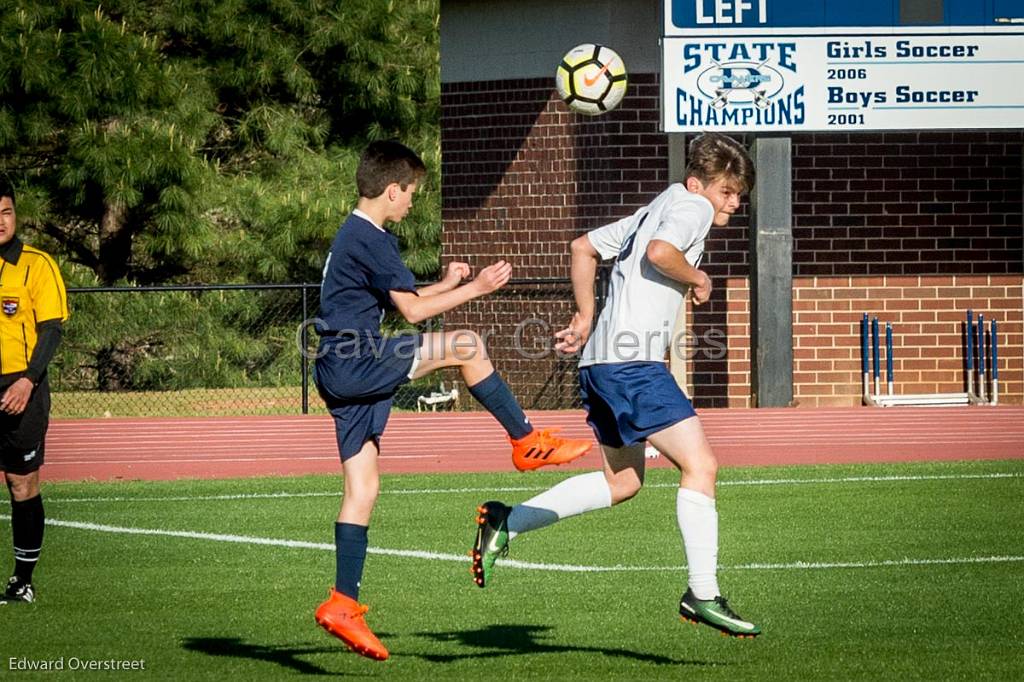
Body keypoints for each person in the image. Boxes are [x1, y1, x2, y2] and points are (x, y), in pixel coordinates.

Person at [470, 133, 761, 638]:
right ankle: (704, 594)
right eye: (727, 192)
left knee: (622, 482)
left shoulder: (660, 204)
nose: (734, 203)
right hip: (633, 367)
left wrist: (585, 318)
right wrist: (698, 278)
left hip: (600, 364)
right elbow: (660, 252)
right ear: (697, 184)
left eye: (740, 194)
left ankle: (505, 521)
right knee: (702, 466)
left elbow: (582, 248)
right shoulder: (690, 207)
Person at [311, 140, 591, 660]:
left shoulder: (356, 234)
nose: (413, 202)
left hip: (339, 367)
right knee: (467, 344)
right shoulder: (373, 237)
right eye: (411, 193)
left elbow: (404, 303)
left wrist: (444, 283)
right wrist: (478, 287)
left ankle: (342, 603)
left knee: (363, 488)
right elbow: (415, 316)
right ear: (391, 190)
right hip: (356, 359)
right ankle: (525, 440)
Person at [0, 179, 69, 605]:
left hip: (22, 386)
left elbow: (52, 330)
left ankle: (22, 581)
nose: (0, 223)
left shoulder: (36, 264)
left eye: (5, 213)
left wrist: (27, 380)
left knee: (20, 483)